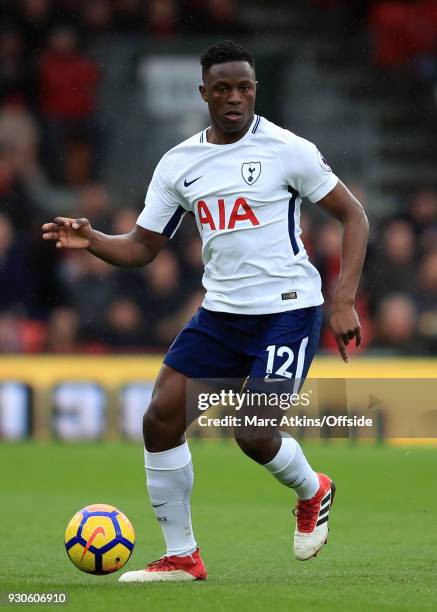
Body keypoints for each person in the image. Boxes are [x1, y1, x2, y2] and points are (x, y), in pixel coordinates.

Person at [42, 41, 369, 582]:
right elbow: (142, 247)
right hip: (221, 316)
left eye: (244, 87)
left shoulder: (289, 151)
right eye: (223, 89)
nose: (235, 98)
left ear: (255, 90)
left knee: (253, 433)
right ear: (204, 94)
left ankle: (314, 489)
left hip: (288, 311)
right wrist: (94, 238)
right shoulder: (179, 164)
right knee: (161, 418)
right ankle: (182, 556)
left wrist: (343, 300)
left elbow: (354, 215)